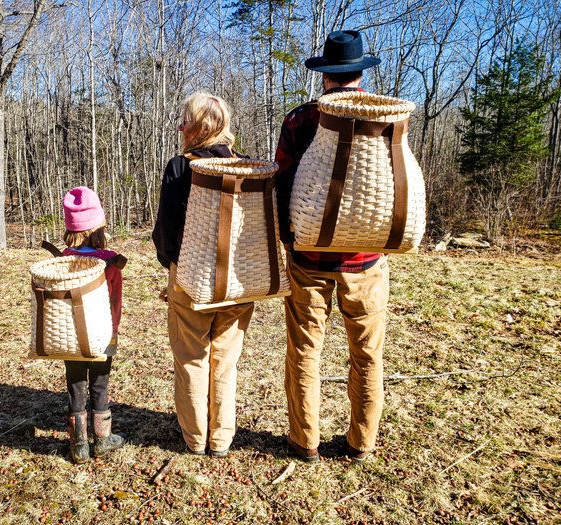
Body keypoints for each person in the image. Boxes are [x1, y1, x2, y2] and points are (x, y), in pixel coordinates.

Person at [275, 30, 389, 463]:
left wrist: (289, 236)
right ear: (360, 72)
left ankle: (305, 441)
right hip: (365, 260)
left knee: (306, 350)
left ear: (325, 75)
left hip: (310, 258)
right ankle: (362, 442)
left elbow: (283, 181)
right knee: (367, 353)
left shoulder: (301, 120)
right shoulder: (384, 116)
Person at [152, 92, 253, 457]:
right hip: (240, 281)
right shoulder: (249, 168)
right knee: (225, 359)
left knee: (192, 358)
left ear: (201, 127)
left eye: (185, 120)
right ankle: (221, 439)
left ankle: (195, 439)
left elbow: (166, 229)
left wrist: (171, 264)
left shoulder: (180, 167)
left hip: (191, 279)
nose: (179, 126)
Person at [60, 186, 126, 463]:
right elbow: (116, 303)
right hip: (102, 335)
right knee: (100, 384)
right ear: (99, 226)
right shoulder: (110, 262)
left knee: (75, 384)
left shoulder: (62, 259)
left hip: (69, 335)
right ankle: (102, 439)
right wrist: (113, 332)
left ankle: (79, 446)